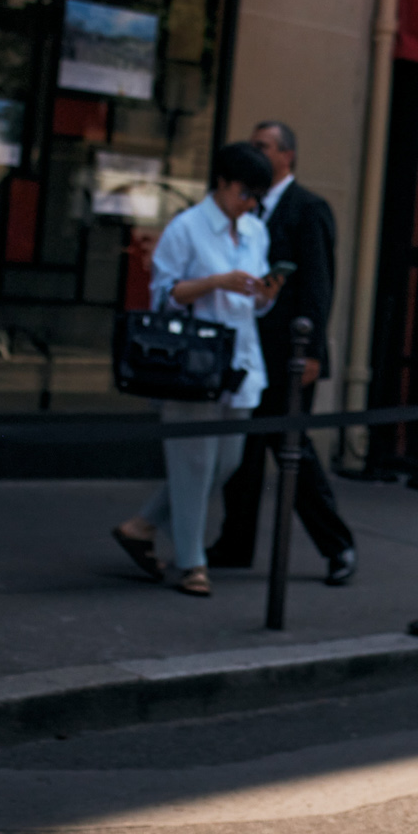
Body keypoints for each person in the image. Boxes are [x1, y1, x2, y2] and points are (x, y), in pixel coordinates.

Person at [110, 141, 280, 598]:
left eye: (256, 196)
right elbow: (163, 294)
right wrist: (215, 283)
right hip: (190, 364)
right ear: (223, 183)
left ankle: (141, 525)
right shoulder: (185, 228)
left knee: (224, 462)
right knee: (194, 464)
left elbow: (257, 300)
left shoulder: (253, 230)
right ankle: (192, 562)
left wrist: (264, 294)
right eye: (245, 192)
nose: (250, 202)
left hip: (238, 360)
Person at [211, 121, 358, 584]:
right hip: (249, 352)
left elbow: (317, 283)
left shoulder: (307, 209)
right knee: (243, 451)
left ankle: (338, 547)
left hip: (290, 353)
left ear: (287, 156)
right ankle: (235, 543)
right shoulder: (246, 212)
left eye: (264, 147)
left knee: (292, 450)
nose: (256, 153)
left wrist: (312, 351)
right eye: (252, 145)